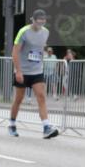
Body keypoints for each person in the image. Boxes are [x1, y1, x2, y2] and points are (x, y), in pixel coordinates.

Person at [8, 9, 59, 139]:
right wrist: (18, 71)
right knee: (18, 99)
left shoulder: (46, 32)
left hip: (37, 70)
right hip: (22, 71)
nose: (41, 22)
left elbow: (40, 49)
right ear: (33, 20)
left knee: (41, 96)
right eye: (38, 20)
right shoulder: (23, 32)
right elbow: (15, 52)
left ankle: (46, 127)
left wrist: (40, 61)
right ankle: (12, 124)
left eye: (43, 20)